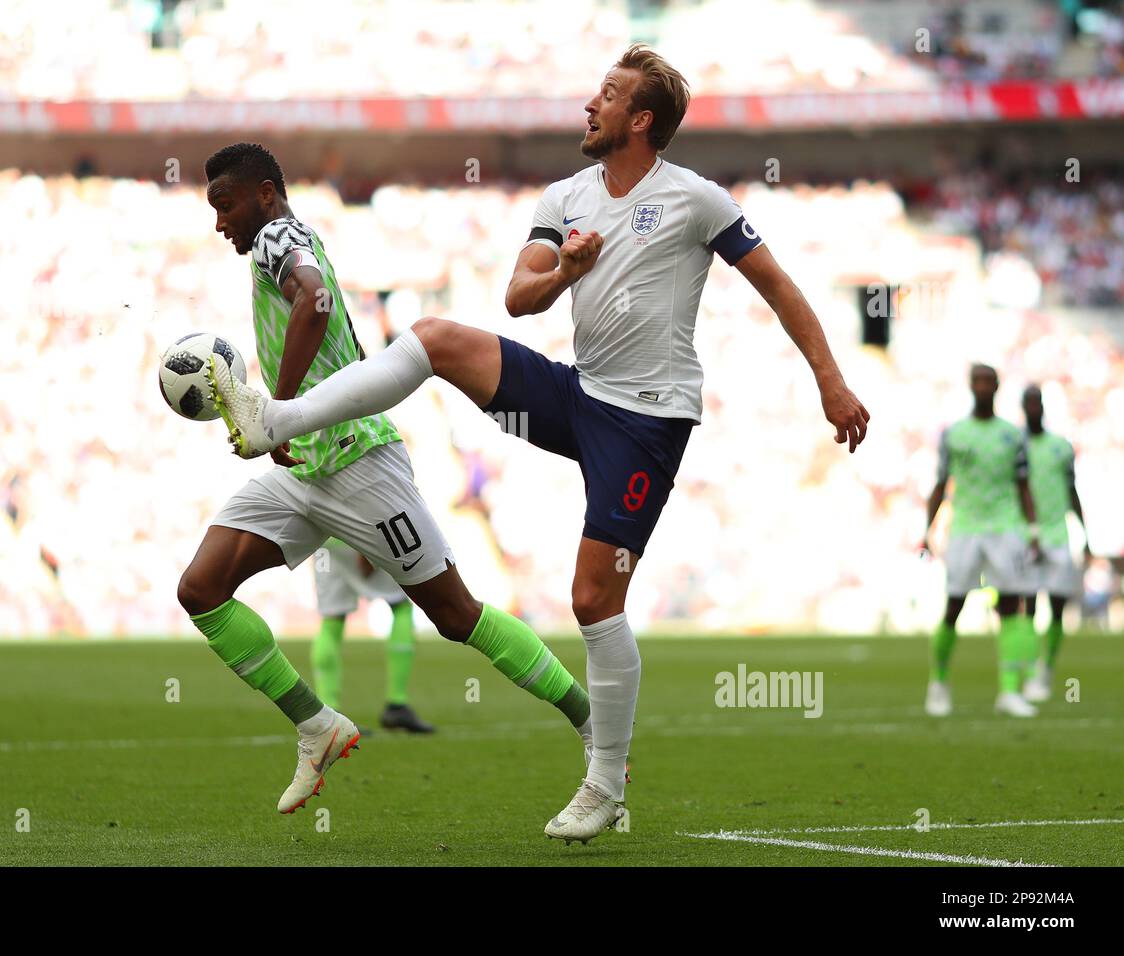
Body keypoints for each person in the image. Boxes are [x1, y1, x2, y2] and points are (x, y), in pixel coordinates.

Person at [208, 46, 870, 842]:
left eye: (609, 96)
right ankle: (279, 421)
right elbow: (519, 299)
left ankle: (604, 782)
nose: (591, 105)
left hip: (647, 420)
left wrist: (831, 381)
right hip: (577, 393)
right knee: (436, 338)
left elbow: (778, 286)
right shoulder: (567, 196)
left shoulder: (696, 201)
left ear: (643, 119)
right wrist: (566, 271)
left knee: (592, 600)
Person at [179, 142, 590, 817]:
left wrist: (277, 412)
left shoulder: (278, 233)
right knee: (201, 588)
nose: (220, 221)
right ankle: (317, 725)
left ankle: (592, 722)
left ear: (264, 193)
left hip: (356, 459)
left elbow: (311, 302)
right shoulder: (277, 238)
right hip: (304, 468)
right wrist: (282, 423)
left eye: (225, 205)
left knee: (457, 616)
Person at [920, 365, 1040, 718]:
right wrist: (927, 531)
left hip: (1005, 528)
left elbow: (1023, 486)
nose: (984, 387)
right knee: (954, 606)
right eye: (978, 381)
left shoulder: (1013, 436)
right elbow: (941, 485)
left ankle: (1009, 691)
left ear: (998, 387)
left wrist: (1032, 531)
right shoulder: (954, 434)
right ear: (971, 386)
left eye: (989, 382)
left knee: (1010, 607)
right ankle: (938, 683)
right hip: (966, 528)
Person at [311, 539, 434, 733]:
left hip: (325, 541)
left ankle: (328, 717)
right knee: (401, 605)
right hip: (356, 534)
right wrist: (364, 547)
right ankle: (397, 704)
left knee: (332, 618)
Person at [1019, 384, 1089, 702]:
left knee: (1058, 607)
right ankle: (1033, 669)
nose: (1034, 407)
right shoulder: (1015, 445)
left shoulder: (1061, 446)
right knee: (1029, 607)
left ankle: (1047, 667)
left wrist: (1084, 533)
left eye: (1037, 402)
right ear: (1023, 407)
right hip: (1026, 536)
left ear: (1042, 406)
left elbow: (1072, 490)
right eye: (1029, 403)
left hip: (1058, 534)